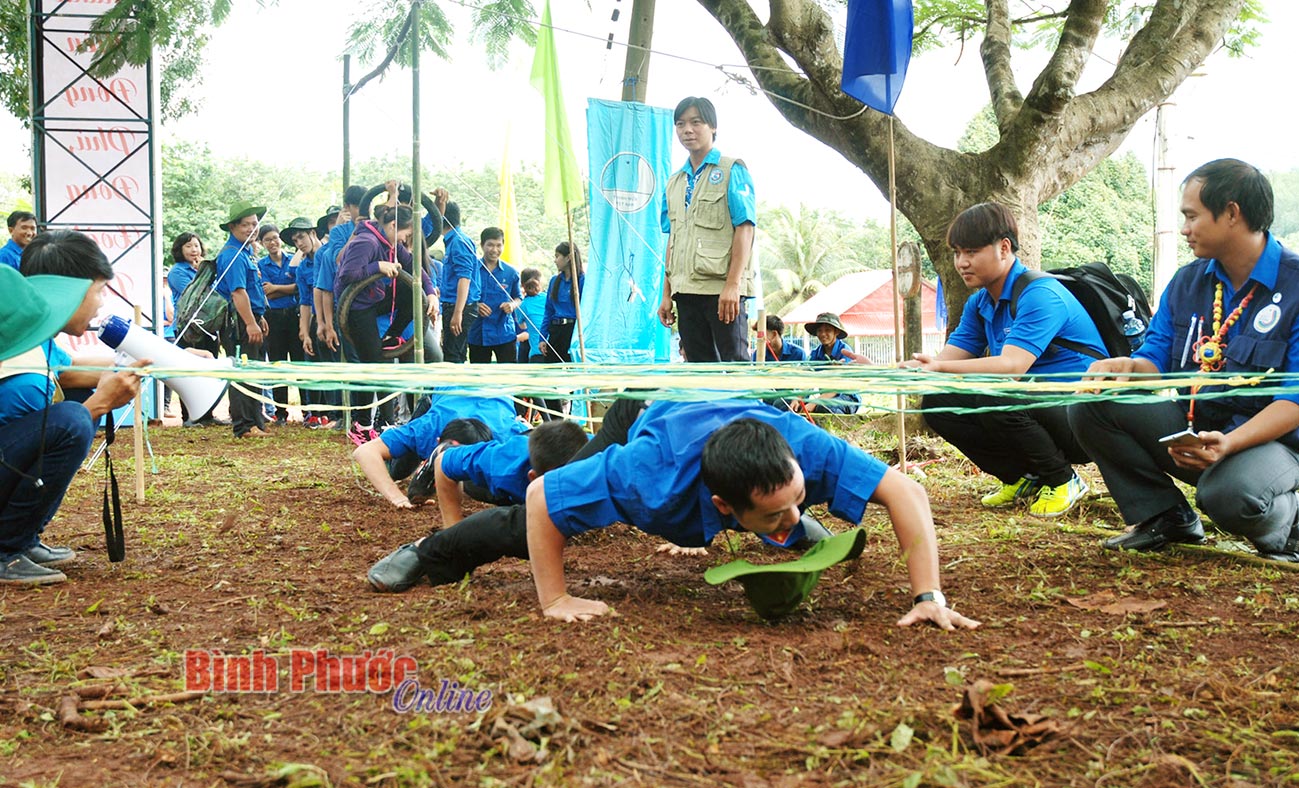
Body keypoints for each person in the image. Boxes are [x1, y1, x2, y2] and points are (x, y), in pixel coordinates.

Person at [523, 398, 981, 629]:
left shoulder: (807, 448)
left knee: (794, 522)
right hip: (645, 410)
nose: (792, 510)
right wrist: (555, 600)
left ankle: (790, 523)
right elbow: (541, 497)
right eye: (774, 513)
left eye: (799, 500)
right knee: (519, 523)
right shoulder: (647, 477)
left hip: (725, 406)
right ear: (723, 507)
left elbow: (909, 493)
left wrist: (928, 598)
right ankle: (449, 550)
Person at [1069, 159, 1299, 561]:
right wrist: (1125, 368)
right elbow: (1156, 359)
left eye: (1192, 216)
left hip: (1276, 443)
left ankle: (1289, 523)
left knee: (1227, 496)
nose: (1184, 228)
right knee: (1093, 403)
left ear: (1231, 213)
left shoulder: (1295, 284)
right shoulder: (1188, 282)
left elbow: (1295, 400)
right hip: (1203, 432)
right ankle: (1164, 515)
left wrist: (1228, 444)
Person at [904, 203, 1105, 517]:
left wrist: (939, 367)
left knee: (996, 392)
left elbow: (1011, 367)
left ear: (1004, 248)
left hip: (1083, 416)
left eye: (971, 251)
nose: (961, 262)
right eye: (957, 253)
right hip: (1034, 406)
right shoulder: (979, 303)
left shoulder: (1041, 294)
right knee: (938, 401)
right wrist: (893, 371)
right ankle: (1022, 478)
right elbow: (945, 361)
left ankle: (1063, 480)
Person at [1, 239, 146, 584]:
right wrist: (98, 405)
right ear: (72, 291)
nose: (101, 303)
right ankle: (6, 548)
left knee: (72, 418)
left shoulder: (33, 337)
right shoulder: (27, 383)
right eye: (99, 291)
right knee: (71, 422)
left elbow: (67, 370)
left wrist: (162, 360)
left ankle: (22, 540)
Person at [366, 421, 593, 593]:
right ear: (533, 478)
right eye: (560, 486)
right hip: (502, 469)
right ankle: (423, 548)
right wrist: (454, 536)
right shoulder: (501, 467)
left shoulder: (608, 464)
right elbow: (443, 463)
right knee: (522, 527)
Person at [657, 97, 756, 363]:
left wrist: (733, 285)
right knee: (699, 371)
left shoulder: (732, 169)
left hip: (721, 290)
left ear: (712, 127)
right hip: (685, 292)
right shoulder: (674, 182)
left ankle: (745, 408)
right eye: (680, 124)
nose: (687, 130)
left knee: (735, 364)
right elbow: (672, 238)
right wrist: (666, 294)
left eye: (695, 122)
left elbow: (745, 228)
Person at [334, 205, 437, 433]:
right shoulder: (367, 242)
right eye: (405, 234)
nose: (405, 239)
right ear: (393, 226)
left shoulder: (391, 244)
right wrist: (377, 266)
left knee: (413, 294)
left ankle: (392, 334)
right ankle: (366, 423)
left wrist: (430, 293)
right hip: (357, 307)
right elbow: (347, 274)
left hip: (375, 299)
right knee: (375, 364)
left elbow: (414, 267)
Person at [352, 393, 527, 509]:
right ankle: (401, 429)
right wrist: (397, 497)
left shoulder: (509, 435)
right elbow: (365, 452)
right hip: (444, 399)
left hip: (491, 396)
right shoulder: (428, 426)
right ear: (437, 442)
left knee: (478, 482)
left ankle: (446, 467)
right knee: (398, 471)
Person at [432, 419, 589, 525]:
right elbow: (442, 463)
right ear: (533, 478)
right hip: (509, 462)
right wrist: (453, 533)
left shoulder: (604, 467)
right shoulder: (503, 470)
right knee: (473, 483)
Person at [281, 217, 335, 430]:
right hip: (315, 321)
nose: (299, 243)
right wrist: (304, 332)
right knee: (316, 368)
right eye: (295, 240)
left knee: (335, 366)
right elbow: (305, 301)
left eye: (301, 237)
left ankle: (339, 413)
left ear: (313, 233)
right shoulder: (303, 266)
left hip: (336, 317)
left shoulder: (330, 254)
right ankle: (322, 413)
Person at [257, 224, 304, 425]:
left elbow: (300, 287)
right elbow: (265, 292)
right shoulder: (261, 265)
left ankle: (309, 411)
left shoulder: (294, 260)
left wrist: (277, 288)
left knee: (299, 362)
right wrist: (287, 289)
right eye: (267, 239)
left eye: (275, 238)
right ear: (261, 243)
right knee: (277, 363)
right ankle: (280, 412)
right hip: (272, 317)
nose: (273, 242)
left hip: (294, 316)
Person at [434, 188, 480, 364]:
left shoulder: (459, 242)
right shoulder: (453, 241)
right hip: (453, 303)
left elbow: (464, 278)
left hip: (460, 306)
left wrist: (458, 313)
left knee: (453, 355)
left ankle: (453, 391)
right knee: (454, 352)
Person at [467, 227, 521, 365]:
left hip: (504, 332)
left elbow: (518, 297)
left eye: (498, 245)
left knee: (509, 375)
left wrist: (512, 305)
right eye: (490, 245)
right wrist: (475, 306)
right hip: (477, 332)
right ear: (482, 245)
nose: (494, 249)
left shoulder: (511, 272)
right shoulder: (471, 270)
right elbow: (461, 295)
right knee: (479, 377)